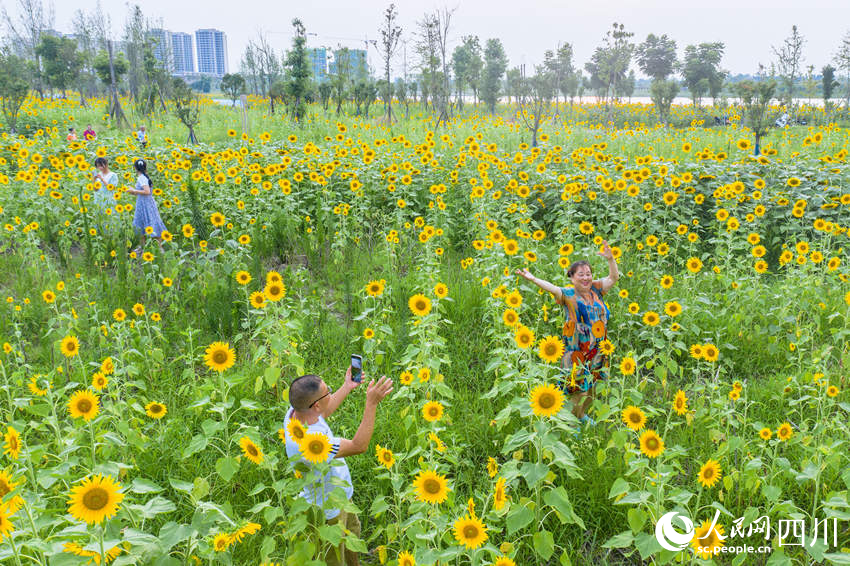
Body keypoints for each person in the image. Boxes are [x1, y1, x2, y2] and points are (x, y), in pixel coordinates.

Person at [283, 369, 393, 566]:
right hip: (329, 509)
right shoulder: (313, 443)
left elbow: (324, 411)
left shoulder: (295, 414)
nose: (331, 394)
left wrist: (347, 386)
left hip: (339, 492)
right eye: (328, 392)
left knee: (352, 538)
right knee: (335, 556)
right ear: (315, 404)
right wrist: (371, 403)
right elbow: (358, 446)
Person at [516, 240, 620, 423]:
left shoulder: (596, 290)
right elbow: (552, 288)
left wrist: (611, 259)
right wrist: (533, 279)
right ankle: (572, 423)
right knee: (579, 389)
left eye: (588, 274)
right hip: (576, 351)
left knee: (594, 386)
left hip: (598, 348)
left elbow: (613, 278)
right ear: (571, 277)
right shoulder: (568, 294)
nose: (586, 278)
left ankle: (582, 415)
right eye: (581, 275)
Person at [125, 159, 166, 253]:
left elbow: (147, 192)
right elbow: (143, 192)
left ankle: (159, 248)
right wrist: (132, 191)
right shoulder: (144, 177)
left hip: (145, 204)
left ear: (135, 168)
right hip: (144, 203)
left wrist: (134, 191)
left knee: (151, 222)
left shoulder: (141, 178)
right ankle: (143, 247)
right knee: (141, 223)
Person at [92, 157, 118, 233]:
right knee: (99, 218)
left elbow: (111, 188)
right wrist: (94, 179)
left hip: (108, 199)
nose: (100, 168)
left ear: (106, 164)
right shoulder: (99, 175)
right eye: (98, 166)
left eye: (101, 165)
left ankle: (109, 236)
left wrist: (102, 179)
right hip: (98, 200)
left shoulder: (113, 175)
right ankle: (100, 235)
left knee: (108, 218)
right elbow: (95, 189)